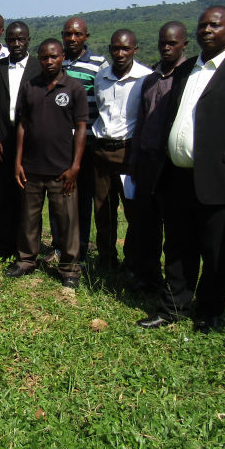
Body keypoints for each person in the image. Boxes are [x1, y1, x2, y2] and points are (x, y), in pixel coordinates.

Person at [138, 6, 225, 332]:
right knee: (178, 246)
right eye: (202, 25)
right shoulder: (185, 71)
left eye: (215, 25)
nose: (207, 30)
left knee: (215, 250)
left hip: (219, 178)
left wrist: (219, 149)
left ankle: (209, 312)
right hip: (178, 177)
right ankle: (173, 306)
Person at [5, 39, 89, 289]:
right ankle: (26, 259)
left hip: (62, 169)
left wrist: (75, 166)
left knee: (67, 220)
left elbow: (82, 128)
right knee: (29, 218)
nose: (49, 61)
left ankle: (69, 268)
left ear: (62, 57)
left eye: (53, 57)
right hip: (31, 166)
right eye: (44, 57)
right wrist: (18, 161)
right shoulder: (30, 86)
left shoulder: (74, 88)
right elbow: (21, 124)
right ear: (39, 59)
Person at [128, 22, 189, 292]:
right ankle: (147, 276)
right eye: (163, 42)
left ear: (184, 45)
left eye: (172, 43)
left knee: (175, 227)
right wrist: (135, 160)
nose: (166, 47)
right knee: (146, 222)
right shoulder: (151, 79)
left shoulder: (187, 78)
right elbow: (141, 120)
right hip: (147, 160)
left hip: (172, 164)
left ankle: (175, 284)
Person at [89, 29, 153, 271]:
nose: (120, 53)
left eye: (126, 48)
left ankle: (133, 262)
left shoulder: (146, 78)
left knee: (133, 210)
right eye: (115, 48)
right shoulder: (101, 77)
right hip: (102, 150)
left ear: (135, 50)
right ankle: (106, 261)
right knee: (102, 209)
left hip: (129, 152)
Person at [52, 16, 108, 262]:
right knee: (57, 195)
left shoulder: (99, 64)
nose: (72, 39)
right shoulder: (55, 60)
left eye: (77, 34)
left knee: (83, 197)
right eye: (68, 34)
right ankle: (58, 246)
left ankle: (81, 248)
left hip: (86, 141)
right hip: (57, 142)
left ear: (86, 36)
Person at [0, 21, 41, 258]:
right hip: (2, 139)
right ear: (6, 41)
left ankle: (27, 246)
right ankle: (4, 244)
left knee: (27, 196)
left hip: (30, 142)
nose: (16, 44)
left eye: (21, 39)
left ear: (29, 40)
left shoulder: (39, 67)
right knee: (2, 193)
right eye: (12, 39)